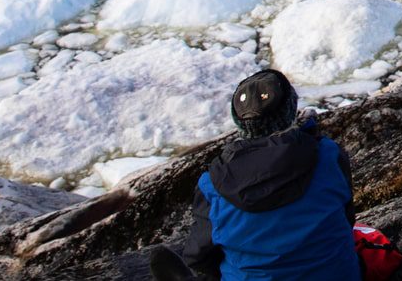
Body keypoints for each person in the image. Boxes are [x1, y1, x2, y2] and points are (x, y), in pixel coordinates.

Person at [148, 70, 359, 281]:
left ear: (239, 122)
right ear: (290, 110)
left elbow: (198, 257)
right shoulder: (329, 155)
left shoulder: (212, 185)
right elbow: (347, 217)